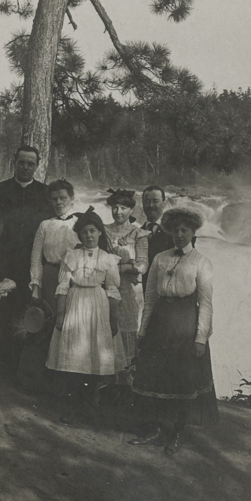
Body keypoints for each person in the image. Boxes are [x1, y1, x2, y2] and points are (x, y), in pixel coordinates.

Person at [130, 207, 218, 455]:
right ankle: (155, 429)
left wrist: (200, 338)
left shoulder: (201, 262)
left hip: (185, 323)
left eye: (185, 230)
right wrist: (143, 330)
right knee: (155, 375)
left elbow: (206, 303)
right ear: (169, 232)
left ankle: (177, 433)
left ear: (192, 232)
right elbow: (149, 299)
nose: (179, 234)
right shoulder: (160, 259)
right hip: (160, 322)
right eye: (175, 230)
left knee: (181, 379)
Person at [46, 207, 121, 423]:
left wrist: (113, 320)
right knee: (74, 358)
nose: (89, 236)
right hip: (75, 305)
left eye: (93, 231)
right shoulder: (72, 255)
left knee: (94, 358)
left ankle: (89, 408)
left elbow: (113, 290)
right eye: (85, 232)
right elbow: (62, 286)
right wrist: (60, 315)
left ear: (99, 233)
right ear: (79, 234)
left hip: (98, 308)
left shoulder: (107, 259)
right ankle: (72, 407)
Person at [0, 145, 54, 370]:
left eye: (31, 164)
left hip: (32, 263)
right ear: (14, 162)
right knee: (1, 311)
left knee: (28, 313)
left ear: (37, 166)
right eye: (22, 162)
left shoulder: (46, 194)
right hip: (3, 262)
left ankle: (21, 365)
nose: (26, 167)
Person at [19, 178, 80, 392]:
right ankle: (35, 381)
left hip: (75, 280)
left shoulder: (80, 223)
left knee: (70, 326)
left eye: (63, 198)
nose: (58, 202)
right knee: (44, 325)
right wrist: (36, 285)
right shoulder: (45, 225)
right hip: (50, 277)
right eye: (54, 199)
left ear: (72, 198)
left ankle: (64, 385)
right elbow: (36, 258)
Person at [104, 189, 149, 383]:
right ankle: (107, 381)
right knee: (108, 328)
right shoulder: (103, 230)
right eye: (114, 207)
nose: (118, 212)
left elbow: (143, 264)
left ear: (131, 209)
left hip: (130, 290)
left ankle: (127, 384)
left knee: (128, 331)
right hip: (107, 288)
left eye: (123, 207)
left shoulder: (138, 233)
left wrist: (122, 267)